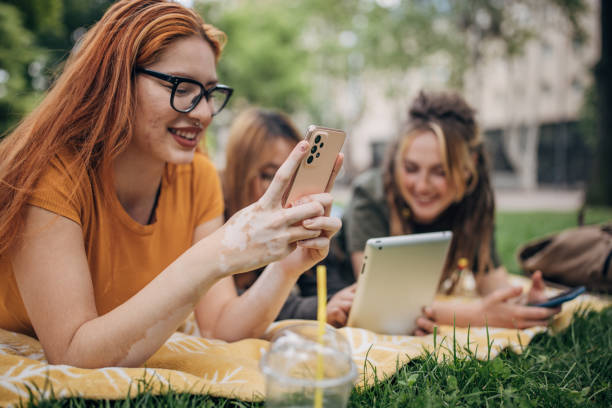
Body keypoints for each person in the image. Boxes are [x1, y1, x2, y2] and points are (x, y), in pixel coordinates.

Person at [0, 0, 342, 368]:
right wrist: (218, 251)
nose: (204, 112)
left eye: (210, 92)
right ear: (115, 80)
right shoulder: (50, 174)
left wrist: (286, 267)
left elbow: (219, 328)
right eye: (181, 88)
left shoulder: (197, 176)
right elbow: (73, 354)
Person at [338, 90, 559, 334]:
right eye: (411, 168)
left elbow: (493, 284)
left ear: (469, 167)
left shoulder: (472, 202)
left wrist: (524, 305)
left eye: (440, 172)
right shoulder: (370, 194)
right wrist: (477, 316)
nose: (421, 186)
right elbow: (379, 301)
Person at [223, 107, 355, 327]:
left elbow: (325, 287)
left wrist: (340, 302)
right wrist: (320, 308)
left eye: (293, 174)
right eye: (270, 175)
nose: (283, 188)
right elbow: (233, 311)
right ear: (240, 173)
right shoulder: (214, 217)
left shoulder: (297, 215)